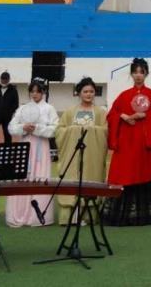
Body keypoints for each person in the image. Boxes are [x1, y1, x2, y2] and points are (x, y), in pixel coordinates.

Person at [104, 57, 151, 226]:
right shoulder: (124, 96)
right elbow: (111, 115)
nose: (138, 75)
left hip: (143, 144)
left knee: (142, 172)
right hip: (126, 142)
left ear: (146, 74)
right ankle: (119, 215)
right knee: (123, 173)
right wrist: (123, 116)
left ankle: (143, 215)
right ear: (131, 74)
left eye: (141, 72)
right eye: (135, 72)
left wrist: (146, 115)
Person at [55, 77, 108, 225]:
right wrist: (74, 130)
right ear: (79, 93)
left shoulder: (100, 113)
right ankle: (68, 217)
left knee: (90, 178)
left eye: (91, 91)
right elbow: (59, 131)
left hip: (92, 155)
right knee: (71, 179)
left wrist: (90, 131)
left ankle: (88, 216)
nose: (89, 94)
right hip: (72, 155)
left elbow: (105, 132)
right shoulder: (70, 112)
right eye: (85, 91)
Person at [6, 77, 58, 227]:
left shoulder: (49, 108)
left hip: (41, 146)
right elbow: (11, 127)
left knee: (39, 176)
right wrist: (23, 127)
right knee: (23, 176)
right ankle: (20, 213)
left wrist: (38, 129)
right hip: (25, 145)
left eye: (38, 91)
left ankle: (38, 215)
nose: (34, 94)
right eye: (32, 91)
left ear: (43, 92)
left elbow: (55, 129)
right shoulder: (22, 108)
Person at [0, 71, 20, 144]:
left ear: (9, 79)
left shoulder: (13, 90)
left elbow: (16, 104)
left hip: (7, 117)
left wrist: (10, 112)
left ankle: (7, 148)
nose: (4, 81)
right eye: (3, 79)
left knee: (7, 133)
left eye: (6, 79)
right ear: (0, 79)